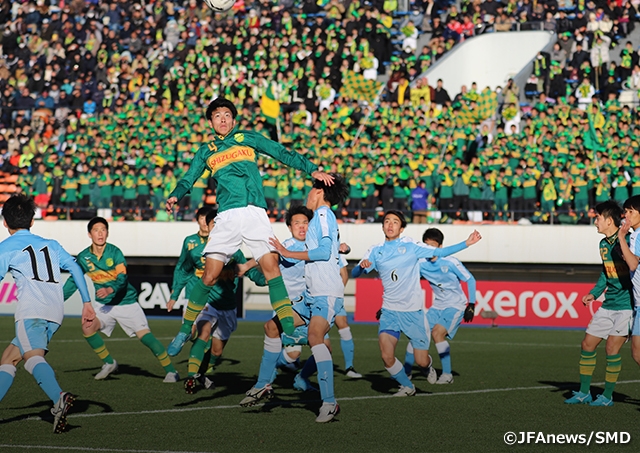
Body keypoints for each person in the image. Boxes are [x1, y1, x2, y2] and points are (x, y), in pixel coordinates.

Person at [165, 97, 333, 355]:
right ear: (210, 121)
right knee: (209, 275)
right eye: (217, 115)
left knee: (271, 266)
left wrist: (311, 169)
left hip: (255, 212)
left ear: (233, 119)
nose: (223, 119)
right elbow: (189, 178)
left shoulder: (248, 138)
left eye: (227, 115)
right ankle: (185, 329)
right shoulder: (205, 151)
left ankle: (288, 327)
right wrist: (176, 194)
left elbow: (280, 151)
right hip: (227, 216)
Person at [240, 174, 349, 423]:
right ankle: (263, 384)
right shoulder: (324, 218)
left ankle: (329, 402)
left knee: (315, 338)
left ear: (320, 192)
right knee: (272, 326)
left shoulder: (321, 215)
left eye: (311, 190)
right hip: (311, 294)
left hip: (325, 291)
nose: (308, 195)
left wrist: (285, 251)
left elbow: (322, 252)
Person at [352, 211, 481, 397]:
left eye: (395, 222)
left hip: (413, 313)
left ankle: (429, 367)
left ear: (402, 228)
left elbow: (440, 252)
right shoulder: (375, 250)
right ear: (382, 226)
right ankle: (407, 386)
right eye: (387, 221)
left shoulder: (412, 247)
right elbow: (356, 273)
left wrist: (467, 243)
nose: (390, 224)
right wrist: (360, 267)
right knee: (386, 356)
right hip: (390, 311)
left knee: (421, 360)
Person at [0, 194, 95, 433]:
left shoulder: (6, 247)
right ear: (32, 221)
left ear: (4, 222)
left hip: (31, 310)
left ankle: (58, 397)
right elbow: (74, 266)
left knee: (32, 358)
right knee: (9, 358)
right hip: (55, 311)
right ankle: (58, 401)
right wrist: (86, 302)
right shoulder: (51, 244)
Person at [63, 217, 179, 383]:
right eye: (96, 230)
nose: (100, 233)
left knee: (145, 337)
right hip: (104, 306)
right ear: (89, 234)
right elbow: (74, 281)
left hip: (126, 302)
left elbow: (123, 278)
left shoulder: (115, 252)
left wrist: (111, 289)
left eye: (103, 229)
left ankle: (171, 371)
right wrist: (59, 300)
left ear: (108, 233)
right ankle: (109, 363)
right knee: (87, 326)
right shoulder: (83, 257)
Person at [167, 208, 268, 393]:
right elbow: (183, 269)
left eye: (218, 224)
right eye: (213, 224)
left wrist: (265, 279)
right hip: (209, 303)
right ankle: (190, 377)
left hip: (228, 307)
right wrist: (175, 295)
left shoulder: (235, 252)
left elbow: (250, 271)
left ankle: (201, 373)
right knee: (204, 333)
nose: (215, 227)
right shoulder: (198, 250)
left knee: (216, 351)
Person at [276, 205, 362, 379]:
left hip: (320, 299)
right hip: (295, 306)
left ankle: (342, 370)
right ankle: (271, 372)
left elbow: (343, 270)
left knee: (326, 346)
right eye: (297, 223)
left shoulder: (323, 244)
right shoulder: (286, 247)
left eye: (305, 222)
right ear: (289, 227)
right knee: (295, 354)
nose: (302, 226)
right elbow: (267, 260)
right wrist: (248, 266)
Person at [565, 200, 633, 407]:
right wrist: (593, 293)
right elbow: (606, 272)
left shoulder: (629, 241)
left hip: (627, 306)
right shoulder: (603, 244)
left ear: (610, 220)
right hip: (608, 304)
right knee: (587, 344)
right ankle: (584, 393)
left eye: (598, 218)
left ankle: (607, 396)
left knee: (612, 348)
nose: (595, 222)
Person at [403, 228, 477, 384]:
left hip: (455, 305)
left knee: (437, 333)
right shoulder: (421, 263)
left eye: (433, 245)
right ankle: (406, 373)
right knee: (416, 336)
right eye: (426, 246)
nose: (429, 250)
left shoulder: (451, 262)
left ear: (440, 247)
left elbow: (470, 279)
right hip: (437, 306)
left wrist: (471, 304)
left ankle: (447, 375)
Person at [616, 196, 640, 373]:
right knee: (637, 353)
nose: (627, 216)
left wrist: (621, 238)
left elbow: (632, 264)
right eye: (626, 212)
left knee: (637, 353)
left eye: (631, 212)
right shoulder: (634, 236)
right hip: (638, 304)